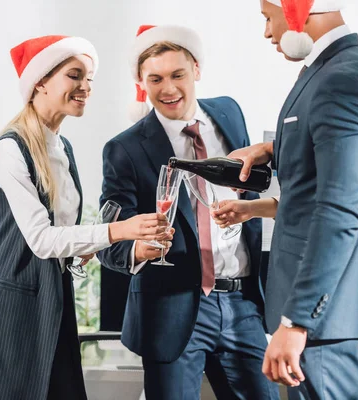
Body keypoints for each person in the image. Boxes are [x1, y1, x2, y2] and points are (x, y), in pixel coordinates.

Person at [0, 35, 171, 400]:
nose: (85, 87)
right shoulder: (11, 147)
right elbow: (41, 240)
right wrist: (119, 230)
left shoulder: (62, 147)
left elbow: (60, 236)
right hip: (8, 308)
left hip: (52, 300)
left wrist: (89, 249)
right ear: (40, 81)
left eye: (89, 79)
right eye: (75, 75)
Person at [225, 0, 358, 397]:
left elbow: (342, 207)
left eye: (268, 18)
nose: (267, 33)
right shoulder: (348, 68)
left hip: (326, 317)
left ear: (296, 10)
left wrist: (297, 320)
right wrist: (272, 151)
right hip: (337, 312)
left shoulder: (341, 79)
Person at [97, 25, 279, 400]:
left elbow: (258, 180)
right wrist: (137, 249)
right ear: (141, 82)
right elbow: (108, 239)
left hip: (242, 302)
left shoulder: (229, 112)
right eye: (156, 79)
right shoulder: (124, 149)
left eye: (177, 75)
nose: (168, 88)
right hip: (172, 311)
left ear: (196, 70)